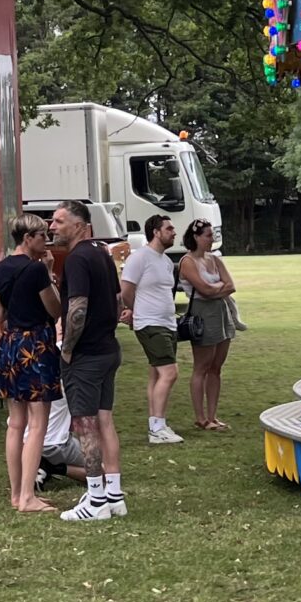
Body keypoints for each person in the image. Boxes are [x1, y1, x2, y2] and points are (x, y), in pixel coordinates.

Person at [51, 199, 126, 522]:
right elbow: (118, 296)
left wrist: (67, 348)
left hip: (86, 355)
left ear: (79, 225)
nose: (52, 226)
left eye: (59, 221)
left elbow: (77, 308)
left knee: (85, 424)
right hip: (109, 349)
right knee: (104, 420)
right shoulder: (101, 253)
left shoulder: (77, 258)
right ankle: (114, 495)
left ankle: (95, 499)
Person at [0, 215, 60, 513]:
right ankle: (29, 497)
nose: (46, 241)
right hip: (36, 345)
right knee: (38, 423)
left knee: (15, 423)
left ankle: (16, 493)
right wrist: (51, 274)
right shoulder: (37, 270)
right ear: (27, 238)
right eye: (42, 236)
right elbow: (54, 309)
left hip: (10, 344)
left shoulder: (1, 268)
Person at [122, 214, 184, 446]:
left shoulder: (166, 261)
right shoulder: (140, 258)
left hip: (167, 323)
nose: (174, 232)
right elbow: (126, 289)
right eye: (169, 228)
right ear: (156, 232)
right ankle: (157, 428)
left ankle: (156, 423)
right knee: (170, 373)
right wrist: (134, 310)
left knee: (157, 374)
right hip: (150, 324)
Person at [178, 219, 238, 431]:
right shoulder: (187, 261)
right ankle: (201, 417)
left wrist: (216, 289)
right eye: (208, 236)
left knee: (216, 368)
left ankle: (212, 416)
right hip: (202, 315)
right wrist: (217, 287)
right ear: (196, 237)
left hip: (221, 313)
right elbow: (204, 290)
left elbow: (231, 286)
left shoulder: (215, 259)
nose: (212, 239)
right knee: (201, 366)